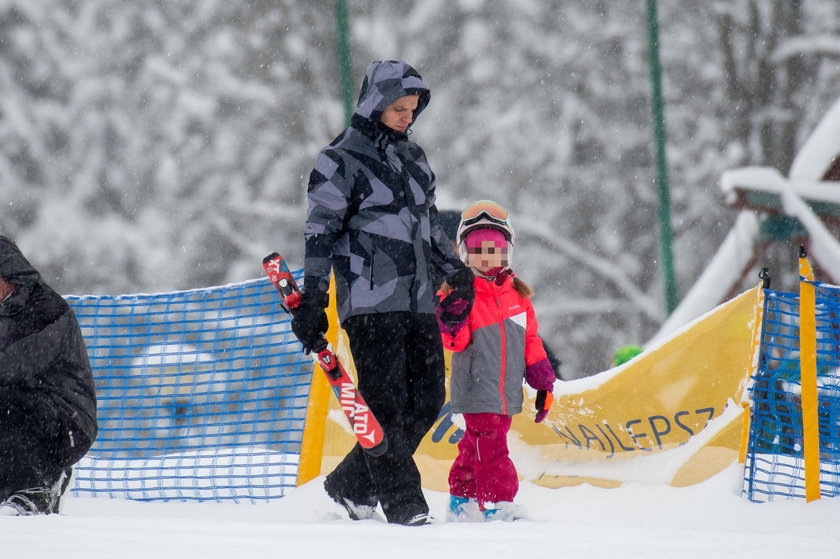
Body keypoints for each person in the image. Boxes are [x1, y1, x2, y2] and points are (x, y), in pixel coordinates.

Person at [291, 60, 473, 526]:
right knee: (386, 404)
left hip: (418, 298)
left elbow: (429, 223)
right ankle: (405, 507)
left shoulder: (413, 159)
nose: (407, 117)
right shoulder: (339, 159)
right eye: (398, 107)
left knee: (429, 398)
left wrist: (455, 268)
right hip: (370, 299)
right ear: (375, 103)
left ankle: (352, 485)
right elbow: (320, 233)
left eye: (412, 109)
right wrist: (314, 298)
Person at [436, 201, 556, 521]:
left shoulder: (517, 295)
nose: (486, 255)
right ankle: (497, 503)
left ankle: (461, 502)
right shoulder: (462, 291)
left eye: (495, 247)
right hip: (477, 387)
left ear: (507, 251)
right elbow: (454, 341)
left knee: (475, 445)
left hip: (504, 390)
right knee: (492, 447)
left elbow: (531, 341)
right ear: (464, 252)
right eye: (477, 248)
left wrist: (543, 382)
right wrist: (452, 314)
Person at [0, 236, 98, 515]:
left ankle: (38, 488)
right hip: (27, 411)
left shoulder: (46, 310)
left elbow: (13, 366)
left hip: (70, 421)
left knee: (7, 402)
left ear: (7, 275)